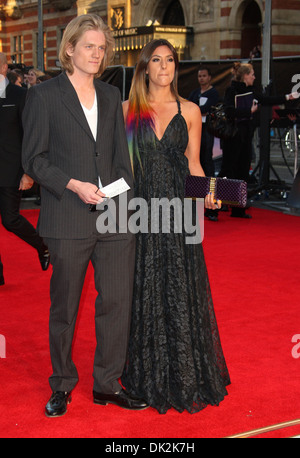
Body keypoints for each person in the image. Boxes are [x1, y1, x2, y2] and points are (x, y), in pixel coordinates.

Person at [22, 14, 148, 417]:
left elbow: (119, 158)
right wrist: (73, 184)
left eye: (101, 47)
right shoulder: (44, 96)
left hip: (114, 218)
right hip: (68, 216)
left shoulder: (112, 96)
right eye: (89, 46)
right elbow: (34, 160)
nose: (96, 54)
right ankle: (61, 384)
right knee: (66, 307)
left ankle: (107, 384)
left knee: (116, 303)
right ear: (70, 49)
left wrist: (123, 198)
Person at [121, 39, 230, 414]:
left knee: (180, 287)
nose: (164, 67)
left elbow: (194, 164)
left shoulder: (190, 110)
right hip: (143, 212)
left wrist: (210, 194)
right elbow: (124, 168)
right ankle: (148, 372)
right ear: (145, 67)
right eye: (156, 60)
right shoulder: (128, 110)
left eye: (170, 60)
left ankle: (184, 373)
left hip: (181, 213)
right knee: (146, 287)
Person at [219, 62, 296, 218]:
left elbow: (267, 100)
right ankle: (217, 204)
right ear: (245, 76)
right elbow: (228, 111)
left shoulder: (251, 91)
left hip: (246, 135)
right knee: (228, 171)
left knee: (243, 171)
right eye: (252, 74)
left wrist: (288, 97)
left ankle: (238, 209)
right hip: (232, 136)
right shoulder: (231, 90)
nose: (254, 77)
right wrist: (247, 110)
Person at [0, 52, 50, 280]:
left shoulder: (19, 95)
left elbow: (30, 135)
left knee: (10, 220)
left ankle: (43, 245)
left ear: (3, 67)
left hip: (11, 169)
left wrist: (28, 172)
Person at [189, 66, 220, 221]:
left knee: (207, 163)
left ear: (210, 77)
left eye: (204, 76)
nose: (201, 78)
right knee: (195, 162)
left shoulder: (214, 93)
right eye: (199, 76)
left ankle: (210, 201)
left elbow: (206, 109)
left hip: (207, 131)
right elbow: (191, 108)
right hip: (194, 131)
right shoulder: (194, 93)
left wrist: (197, 110)